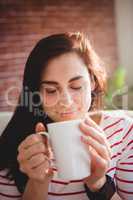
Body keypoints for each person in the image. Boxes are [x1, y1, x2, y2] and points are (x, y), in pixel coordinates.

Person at [0, 32, 132, 200]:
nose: (66, 101)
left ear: (91, 81)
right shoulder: (18, 145)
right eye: (51, 90)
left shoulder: (123, 132)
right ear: (37, 93)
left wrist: (99, 184)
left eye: (76, 86)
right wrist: (37, 183)